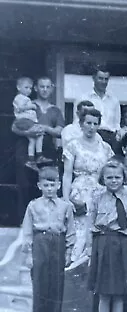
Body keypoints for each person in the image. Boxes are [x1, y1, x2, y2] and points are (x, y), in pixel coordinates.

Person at [88, 160, 127, 312]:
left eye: (117, 177)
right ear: (103, 179)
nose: (113, 181)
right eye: (109, 177)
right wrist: (90, 252)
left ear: (124, 178)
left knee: (119, 292)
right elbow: (90, 226)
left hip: (122, 245)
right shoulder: (97, 199)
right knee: (104, 292)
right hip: (103, 244)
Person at [21, 166, 75, 312]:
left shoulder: (65, 206)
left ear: (59, 185)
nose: (50, 189)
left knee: (56, 282)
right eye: (46, 185)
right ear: (39, 186)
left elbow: (70, 231)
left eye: (53, 185)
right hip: (40, 242)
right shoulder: (33, 206)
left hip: (57, 242)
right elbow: (28, 231)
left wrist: (68, 252)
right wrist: (29, 254)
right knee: (39, 280)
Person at [62, 108, 114, 263]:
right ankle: (73, 263)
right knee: (80, 230)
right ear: (81, 124)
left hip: (100, 191)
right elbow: (67, 174)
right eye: (88, 123)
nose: (91, 127)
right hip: (80, 190)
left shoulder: (105, 147)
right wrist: (66, 199)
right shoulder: (73, 146)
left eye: (95, 124)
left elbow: (110, 173)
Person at [12, 76, 65, 218]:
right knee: (24, 183)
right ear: (36, 88)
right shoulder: (28, 102)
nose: (45, 90)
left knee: (46, 183)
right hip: (26, 144)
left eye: (48, 87)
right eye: (42, 86)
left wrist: (45, 128)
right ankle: (23, 221)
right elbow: (14, 127)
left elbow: (60, 132)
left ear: (52, 89)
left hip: (46, 147)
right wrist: (28, 132)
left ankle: (43, 220)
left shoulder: (55, 110)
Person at [74, 66, 121, 150]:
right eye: (100, 78)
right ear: (94, 78)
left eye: (106, 79)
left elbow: (117, 124)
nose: (103, 82)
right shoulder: (83, 98)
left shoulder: (114, 100)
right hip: (91, 135)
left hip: (110, 138)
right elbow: (77, 122)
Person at [13, 77, 51, 170]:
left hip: (27, 121)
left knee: (33, 140)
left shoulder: (25, 98)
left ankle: (31, 159)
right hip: (24, 120)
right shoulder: (19, 98)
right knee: (40, 134)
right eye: (26, 88)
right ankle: (39, 156)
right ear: (18, 87)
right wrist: (31, 106)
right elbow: (19, 108)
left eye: (30, 88)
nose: (29, 90)